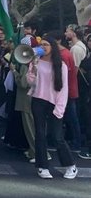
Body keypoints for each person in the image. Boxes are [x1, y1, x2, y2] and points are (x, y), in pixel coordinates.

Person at [27, 35, 77, 179]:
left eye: (46, 45)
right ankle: (42, 166)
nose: (43, 47)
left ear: (53, 47)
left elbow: (64, 89)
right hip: (38, 100)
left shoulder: (61, 65)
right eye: (41, 44)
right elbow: (30, 82)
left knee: (57, 136)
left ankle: (70, 165)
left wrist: (60, 108)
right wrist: (34, 68)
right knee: (40, 134)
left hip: (54, 101)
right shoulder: (35, 61)